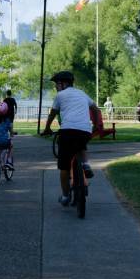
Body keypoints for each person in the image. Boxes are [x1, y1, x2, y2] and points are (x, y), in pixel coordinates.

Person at [41, 71, 98, 207]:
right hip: (85, 130)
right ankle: (85, 164)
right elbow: (95, 108)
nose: (56, 87)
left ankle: (66, 196)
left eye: (57, 84)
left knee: (64, 167)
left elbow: (52, 114)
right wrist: (95, 125)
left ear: (64, 83)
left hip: (67, 131)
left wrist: (47, 128)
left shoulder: (60, 96)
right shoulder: (82, 93)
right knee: (80, 145)